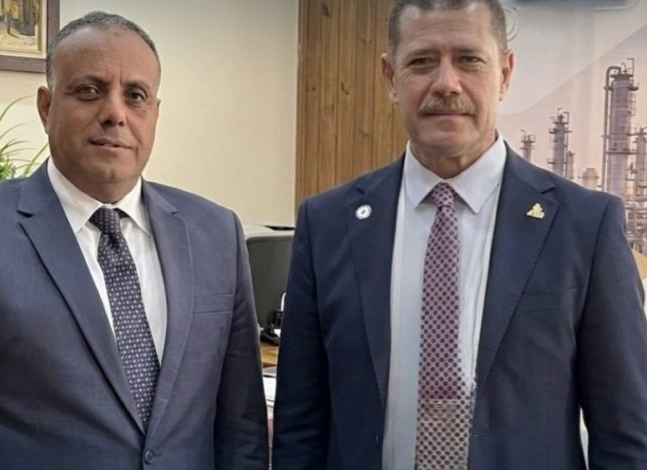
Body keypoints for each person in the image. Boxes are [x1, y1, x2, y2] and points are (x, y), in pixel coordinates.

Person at [0, 11, 268, 470]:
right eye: (89, 90)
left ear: (155, 113)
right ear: (46, 107)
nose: (115, 114)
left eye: (135, 96)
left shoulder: (216, 234)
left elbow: (241, 434)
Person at [272, 1, 647, 469]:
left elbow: (626, 433)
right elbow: (300, 424)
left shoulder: (585, 225)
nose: (446, 83)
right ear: (391, 78)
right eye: (421, 61)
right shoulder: (327, 223)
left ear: (504, 74)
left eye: (469, 59)